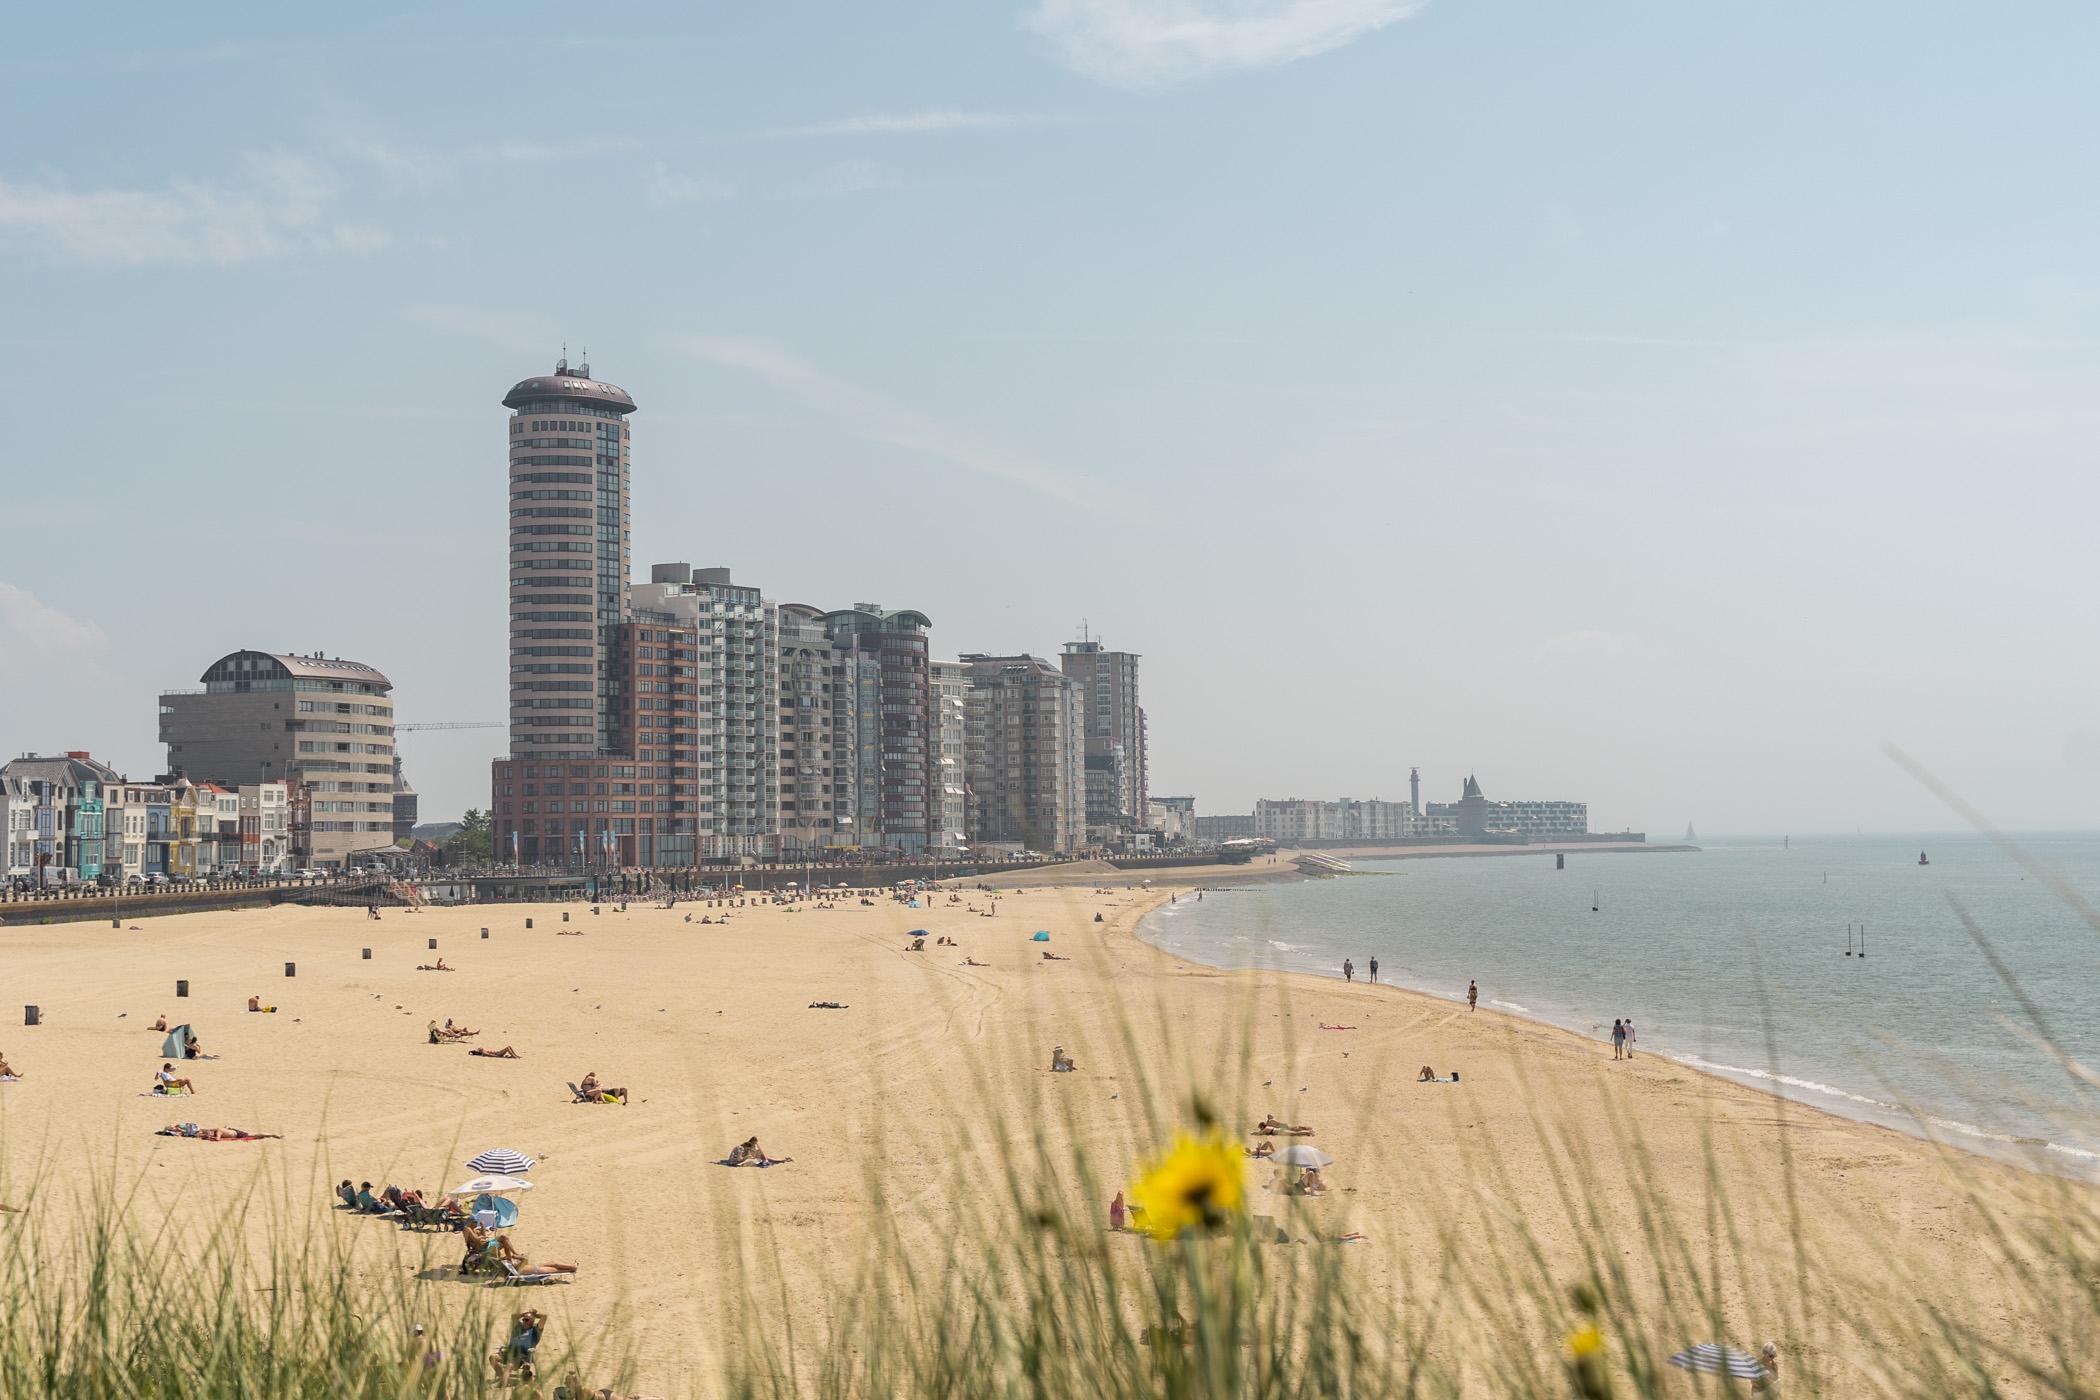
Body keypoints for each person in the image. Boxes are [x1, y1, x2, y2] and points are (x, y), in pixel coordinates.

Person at [726, 1136, 791, 1167]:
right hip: (734, 1163)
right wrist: (747, 1157)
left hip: (736, 1162)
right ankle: (781, 1161)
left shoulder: (744, 1148)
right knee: (755, 1160)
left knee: (760, 1158)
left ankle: (781, 1161)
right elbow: (739, 1160)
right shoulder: (741, 1149)